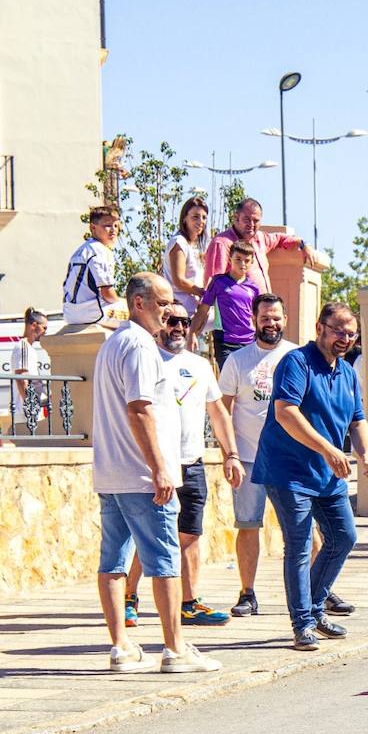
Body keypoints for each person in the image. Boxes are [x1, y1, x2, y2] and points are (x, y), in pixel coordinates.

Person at [90, 272, 222, 674]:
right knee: (164, 559)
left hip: (112, 473)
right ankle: (174, 648)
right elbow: (140, 408)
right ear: (140, 303)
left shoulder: (112, 344)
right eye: (163, 303)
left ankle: (121, 647)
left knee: (113, 560)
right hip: (141, 475)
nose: (169, 311)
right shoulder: (140, 346)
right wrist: (160, 467)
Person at [252, 302, 368, 651]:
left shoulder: (348, 372)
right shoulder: (297, 362)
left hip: (328, 472)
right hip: (288, 470)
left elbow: (357, 420)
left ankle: (316, 606)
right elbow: (285, 412)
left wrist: (366, 452)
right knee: (300, 543)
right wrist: (328, 449)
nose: (346, 338)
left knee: (344, 536)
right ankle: (302, 624)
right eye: (339, 330)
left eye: (351, 333)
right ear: (320, 328)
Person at [123, 301, 244, 627]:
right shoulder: (146, 359)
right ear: (161, 322)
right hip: (157, 464)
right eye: (171, 321)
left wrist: (230, 454)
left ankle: (189, 602)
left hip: (192, 463)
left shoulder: (200, 365)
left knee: (189, 534)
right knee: (148, 536)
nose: (178, 327)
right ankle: (128, 596)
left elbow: (218, 413)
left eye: (184, 321)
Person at [219, 293, 298, 616]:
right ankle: (247, 593)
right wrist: (230, 454)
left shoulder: (298, 356)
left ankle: (318, 590)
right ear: (254, 320)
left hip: (291, 459)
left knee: (302, 526)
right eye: (265, 317)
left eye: (276, 317)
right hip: (249, 459)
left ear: (285, 319)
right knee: (248, 525)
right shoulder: (237, 361)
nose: (271, 323)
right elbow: (222, 410)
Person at [201, 197, 313, 292]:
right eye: (247, 219)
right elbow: (214, 284)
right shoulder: (222, 244)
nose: (251, 225)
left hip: (261, 312)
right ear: (236, 218)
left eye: (256, 221)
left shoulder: (260, 238)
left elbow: (280, 238)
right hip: (237, 312)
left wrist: (303, 244)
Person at [197, 240, 261, 369]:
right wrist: (193, 333)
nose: (242, 264)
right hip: (225, 341)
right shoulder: (218, 282)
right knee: (228, 381)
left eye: (247, 260)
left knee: (247, 382)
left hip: (249, 341)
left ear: (251, 262)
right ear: (230, 259)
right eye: (238, 259)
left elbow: (257, 317)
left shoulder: (254, 288)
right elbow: (203, 310)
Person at [62, 206, 126, 326]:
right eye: (107, 225)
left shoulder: (81, 250)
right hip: (93, 312)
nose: (113, 230)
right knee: (142, 312)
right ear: (93, 227)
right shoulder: (100, 251)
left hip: (70, 313)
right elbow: (107, 293)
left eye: (116, 226)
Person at [161, 197, 209, 349]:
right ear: (184, 219)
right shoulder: (179, 243)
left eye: (204, 217)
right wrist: (203, 292)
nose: (200, 221)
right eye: (195, 217)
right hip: (179, 312)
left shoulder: (196, 247)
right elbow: (179, 280)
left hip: (194, 313)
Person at [10, 308, 49, 431]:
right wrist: (30, 406)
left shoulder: (28, 348)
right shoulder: (23, 347)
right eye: (44, 328)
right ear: (34, 325)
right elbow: (21, 378)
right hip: (26, 413)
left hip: (29, 411)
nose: (45, 332)